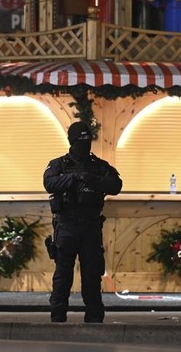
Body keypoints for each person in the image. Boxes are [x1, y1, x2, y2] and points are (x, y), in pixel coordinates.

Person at [43, 121, 122, 323]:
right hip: (66, 225)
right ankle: (58, 315)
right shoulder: (59, 164)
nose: (85, 144)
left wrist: (92, 180)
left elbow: (116, 185)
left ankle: (94, 316)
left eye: (88, 139)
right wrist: (74, 179)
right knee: (62, 274)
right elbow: (49, 183)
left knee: (92, 274)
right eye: (81, 140)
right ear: (72, 141)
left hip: (90, 226)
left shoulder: (99, 166)